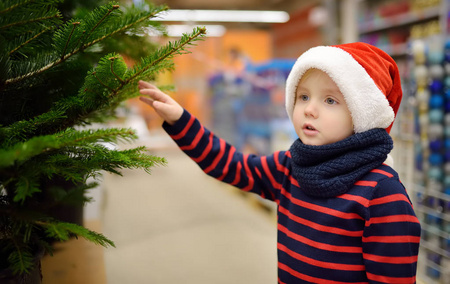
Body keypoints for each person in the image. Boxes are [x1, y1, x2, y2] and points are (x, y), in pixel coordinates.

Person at [139, 42, 421, 283]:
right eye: (304, 96)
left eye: (330, 100)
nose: (310, 109)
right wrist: (181, 121)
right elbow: (233, 166)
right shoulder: (290, 166)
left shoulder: (381, 194)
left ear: (363, 115)